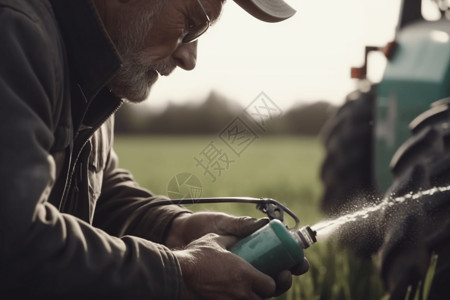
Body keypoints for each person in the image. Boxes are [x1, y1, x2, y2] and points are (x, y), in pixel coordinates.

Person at [0, 0, 309, 298]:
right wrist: (180, 276)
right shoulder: (15, 32)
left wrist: (174, 227)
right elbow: (14, 238)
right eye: (190, 23)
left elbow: (99, 190)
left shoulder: (97, 75)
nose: (190, 59)